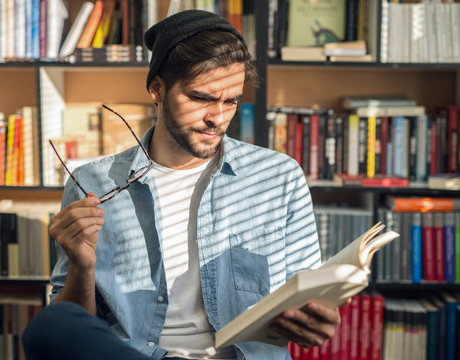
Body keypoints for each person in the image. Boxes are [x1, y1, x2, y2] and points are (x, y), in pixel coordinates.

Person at [22, 9, 343, 360]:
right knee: (47, 328)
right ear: (156, 88)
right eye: (201, 97)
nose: (217, 118)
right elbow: (73, 332)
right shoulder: (93, 184)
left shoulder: (278, 178)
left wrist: (318, 322)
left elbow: (308, 302)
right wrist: (82, 266)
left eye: (231, 101)